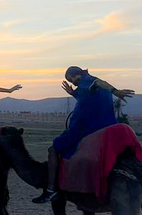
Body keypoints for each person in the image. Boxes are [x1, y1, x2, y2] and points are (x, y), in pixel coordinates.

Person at [32, 66, 134, 203]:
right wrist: (73, 94)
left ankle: (51, 190)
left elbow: (98, 83)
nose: (73, 82)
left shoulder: (88, 80)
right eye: (69, 80)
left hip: (85, 128)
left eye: (72, 78)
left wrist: (116, 91)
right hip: (104, 126)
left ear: (78, 74)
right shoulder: (85, 86)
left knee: (54, 148)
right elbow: (87, 97)